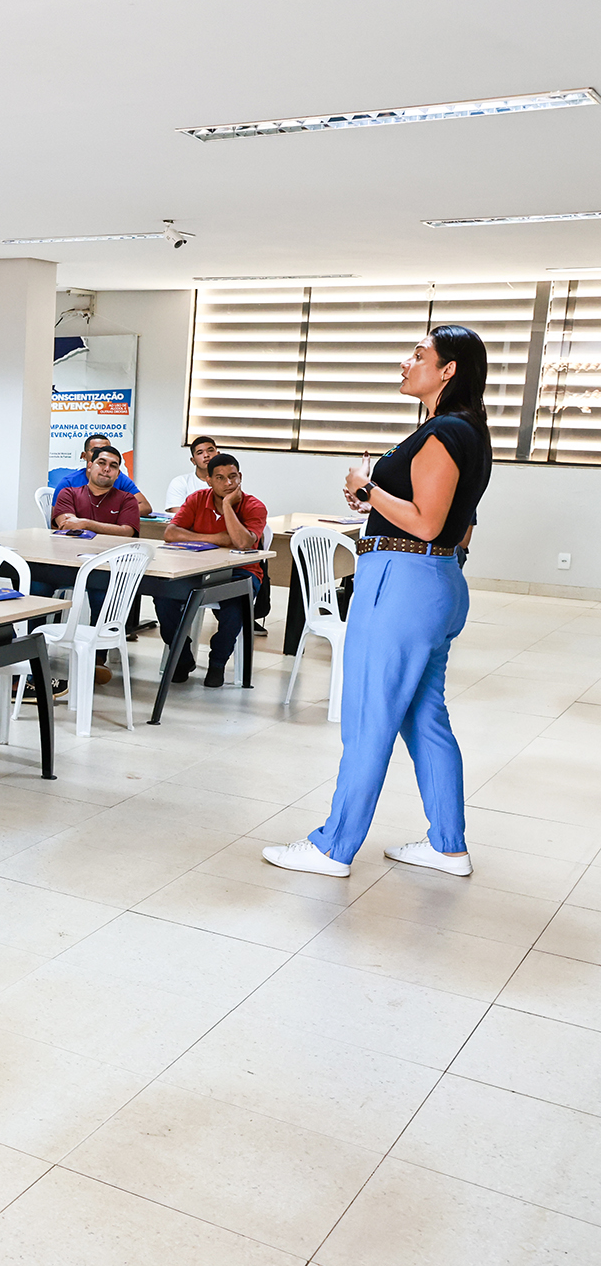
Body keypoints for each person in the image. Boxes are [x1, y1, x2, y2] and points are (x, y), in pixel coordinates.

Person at [264, 326, 494, 880]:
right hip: (432, 581)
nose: (405, 363)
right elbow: (458, 532)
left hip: (402, 581)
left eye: (419, 356)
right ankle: (448, 846)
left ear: (449, 370)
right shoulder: (469, 432)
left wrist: (368, 491)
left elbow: (428, 522)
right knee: (424, 718)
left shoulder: (443, 432)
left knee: (369, 717)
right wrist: (375, 499)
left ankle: (332, 848)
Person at [155, 452, 267, 688]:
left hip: (242, 571)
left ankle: (217, 662)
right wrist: (217, 538)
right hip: (198, 570)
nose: (228, 483)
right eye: (220, 478)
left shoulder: (253, 505)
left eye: (233, 477)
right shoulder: (197, 499)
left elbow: (243, 542)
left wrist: (227, 505)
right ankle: (182, 657)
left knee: (235, 604)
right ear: (208, 480)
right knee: (163, 596)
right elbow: (170, 534)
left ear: (240, 477)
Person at [51, 446, 143, 536]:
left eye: (113, 466)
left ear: (118, 474)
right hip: (75, 549)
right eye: (102, 463)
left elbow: (127, 532)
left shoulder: (127, 499)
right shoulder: (68, 493)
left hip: (112, 549)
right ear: (90, 466)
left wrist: (86, 524)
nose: (107, 469)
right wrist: (112, 529)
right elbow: (67, 526)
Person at [48, 434, 142, 499]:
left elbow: (144, 506)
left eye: (106, 450)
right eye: (96, 450)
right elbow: (57, 522)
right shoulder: (69, 483)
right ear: (84, 456)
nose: (101, 454)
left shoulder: (118, 478)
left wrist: (112, 514)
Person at [164, 436, 218, 516]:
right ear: (193, 461)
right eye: (200, 453)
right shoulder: (180, 482)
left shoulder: (228, 482)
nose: (206, 455)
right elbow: (177, 513)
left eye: (210, 451)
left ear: (218, 455)